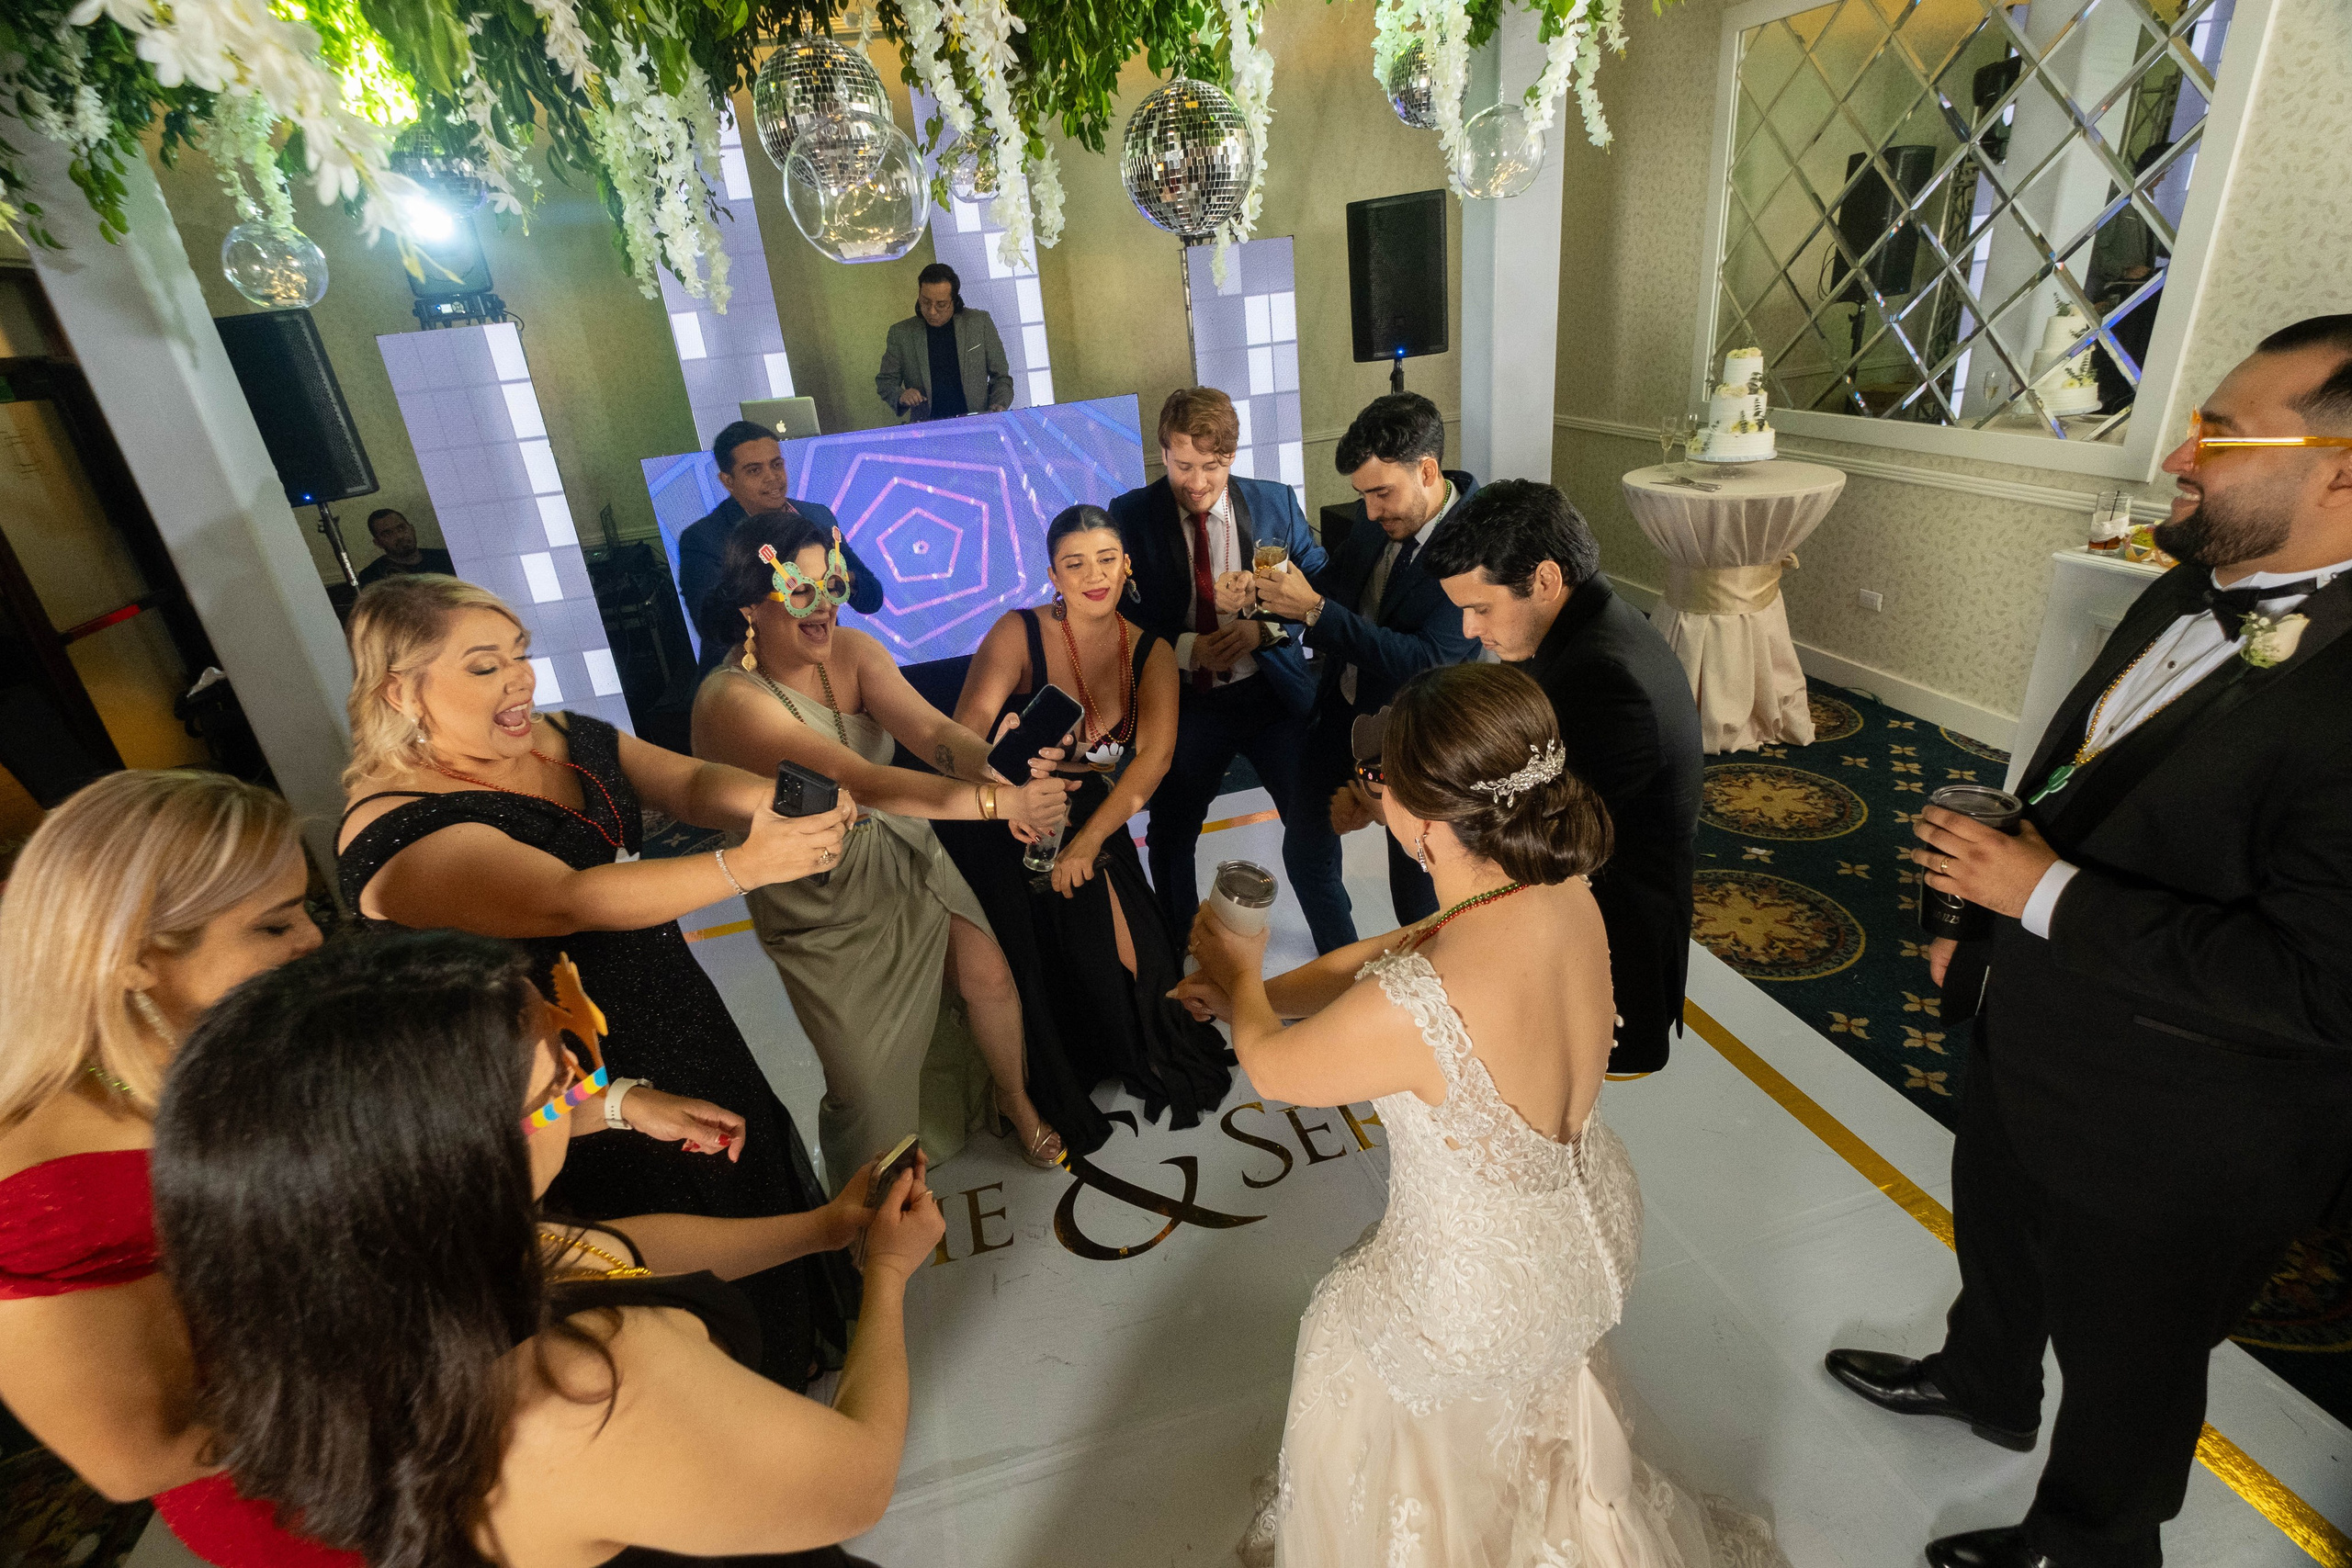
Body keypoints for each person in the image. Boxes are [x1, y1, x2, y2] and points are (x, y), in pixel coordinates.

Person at [1826, 318, 2352, 1568]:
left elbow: (2323, 984)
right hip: (2037, 1022)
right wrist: (1988, 930)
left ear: (2341, 468)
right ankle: (1985, 1375)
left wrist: (2043, 890)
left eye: (2223, 430)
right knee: (1999, 1229)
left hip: (2189, 1119)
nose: (2180, 448)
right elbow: (2090, 778)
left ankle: (2093, 1538)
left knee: (2134, 1357)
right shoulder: (2186, 581)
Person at [0, 771, 744, 1564]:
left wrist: (615, 1099)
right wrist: (417, 1336)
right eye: (273, 924)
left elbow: (455, 1126)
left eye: (308, 911)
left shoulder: (256, 1039)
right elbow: (133, 1458)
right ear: (133, 955)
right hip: (325, 1509)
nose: (311, 943)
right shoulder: (41, 1185)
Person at [1178, 663, 1781, 1568]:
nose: (1369, 785)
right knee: (1506, 1382)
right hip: (1590, 1223)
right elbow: (1387, 950)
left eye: (1382, 775)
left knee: (1344, 1319)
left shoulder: (1420, 1003)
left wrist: (1237, 966)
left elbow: (1273, 1068)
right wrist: (1252, 993)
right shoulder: (1556, 886)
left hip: (1488, 1284)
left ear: (1422, 820)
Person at [151, 929, 943, 1568]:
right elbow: (857, 1480)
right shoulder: (586, 1383)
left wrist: (819, 1228)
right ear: (459, 1161)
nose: (580, 1083)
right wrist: (888, 1272)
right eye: (555, 1090)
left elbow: (604, 1250)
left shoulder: (379, 1278)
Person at [336, 573, 861, 1391]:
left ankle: (788, 1359)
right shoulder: (397, 828)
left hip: (676, 1007)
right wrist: (744, 864)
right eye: (483, 667)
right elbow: (565, 900)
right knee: (651, 1245)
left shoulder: (558, 735)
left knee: (739, 1169)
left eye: (519, 655)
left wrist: (766, 802)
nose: (518, 679)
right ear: (401, 690)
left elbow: (683, 782)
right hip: (561, 1078)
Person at [691, 509, 1078, 1179]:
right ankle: (866, 1212)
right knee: (865, 1082)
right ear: (754, 604)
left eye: (833, 587)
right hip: (818, 895)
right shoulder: (731, 701)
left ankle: (1014, 1102)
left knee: (987, 975)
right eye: (802, 593)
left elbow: (933, 734)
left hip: (903, 846)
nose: (825, 610)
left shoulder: (855, 652)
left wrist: (993, 763)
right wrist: (998, 804)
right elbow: (861, 780)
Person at [939, 504, 1233, 1158]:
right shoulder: (1018, 632)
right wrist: (1000, 760)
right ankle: (1046, 1073)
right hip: (1005, 808)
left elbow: (1149, 761)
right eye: (1075, 564)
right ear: (1053, 574)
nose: (1093, 575)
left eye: (1106, 559)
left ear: (1126, 564)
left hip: (1093, 810)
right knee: (1043, 954)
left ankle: (1125, 1043)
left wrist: (1088, 840)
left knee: (1139, 957)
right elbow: (964, 729)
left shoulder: (1151, 648)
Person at [1421, 481, 1702, 1076]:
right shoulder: (1595, 630)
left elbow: (1551, 837)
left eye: (1481, 607)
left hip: (1610, 958)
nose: (1469, 629)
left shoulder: (1601, 675)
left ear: (1546, 580)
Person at [1250, 391, 1478, 949]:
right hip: (1340, 711)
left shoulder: (1475, 543)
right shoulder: (1384, 514)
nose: (1371, 512)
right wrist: (1275, 599)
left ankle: (1433, 991)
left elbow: (1427, 660)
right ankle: (1345, 969)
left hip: (1417, 737)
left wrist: (1314, 611)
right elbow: (1345, 589)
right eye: (1364, 496)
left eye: (1381, 493)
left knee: (1417, 885)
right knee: (1304, 852)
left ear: (1428, 471)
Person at [1109, 387, 1331, 944]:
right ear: (1163, 453)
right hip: (1184, 701)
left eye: (1214, 466)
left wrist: (1267, 625)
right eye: (1185, 465)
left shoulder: (1276, 502)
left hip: (1271, 695)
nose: (1199, 482)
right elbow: (1118, 617)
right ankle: (1184, 952)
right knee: (1171, 833)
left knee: (1310, 826)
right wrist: (1187, 649)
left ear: (1232, 457)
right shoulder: (1130, 516)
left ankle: (1341, 947)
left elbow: (1324, 593)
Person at [676, 421, 885, 677]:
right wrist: (785, 591)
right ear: (728, 481)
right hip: (746, 677)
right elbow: (714, 627)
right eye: (754, 470)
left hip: (821, 670)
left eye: (777, 464)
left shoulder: (817, 516)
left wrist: (837, 581)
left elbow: (872, 597)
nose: (772, 477)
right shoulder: (704, 538)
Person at [875, 263, 1014, 423]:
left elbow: (1002, 378)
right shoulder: (901, 333)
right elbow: (886, 382)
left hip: (977, 424)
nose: (932, 311)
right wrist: (901, 395)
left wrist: (998, 405)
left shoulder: (979, 323)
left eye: (941, 305)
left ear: (954, 301)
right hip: (927, 429)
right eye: (925, 302)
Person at [354, 508, 456, 586]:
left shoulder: (446, 557)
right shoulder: (372, 576)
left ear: (412, 529)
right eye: (387, 534)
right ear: (378, 543)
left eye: (401, 528)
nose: (399, 536)